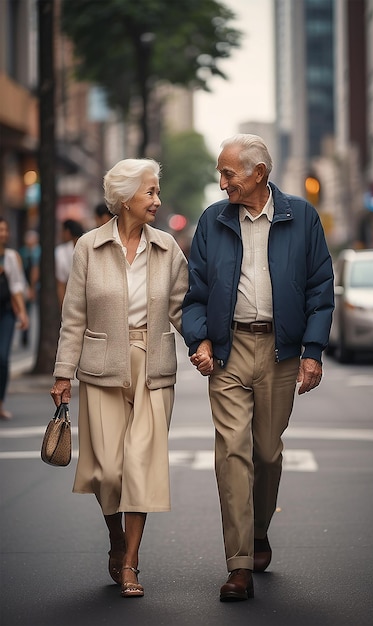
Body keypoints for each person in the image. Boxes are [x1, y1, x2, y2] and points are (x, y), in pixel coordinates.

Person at [182, 134, 334, 602]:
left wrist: (312, 349)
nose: (222, 181)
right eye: (221, 172)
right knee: (231, 454)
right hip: (228, 352)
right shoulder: (213, 220)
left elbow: (319, 286)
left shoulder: (302, 217)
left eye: (228, 173)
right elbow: (196, 291)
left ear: (259, 173)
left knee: (266, 453)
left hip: (279, 352)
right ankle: (239, 563)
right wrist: (200, 337)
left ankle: (260, 529)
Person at [49, 158, 188, 598]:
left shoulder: (168, 248)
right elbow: (74, 315)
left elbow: (185, 309)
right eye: (150, 192)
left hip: (154, 363)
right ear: (126, 198)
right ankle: (115, 538)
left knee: (140, 466)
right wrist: (62, 373)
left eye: (156, 192)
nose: (157, 201)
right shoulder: (88, 247)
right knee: (108, 471)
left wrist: (207, 347)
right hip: (101, 364)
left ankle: (130, 562)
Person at [0, 218, 29, 420]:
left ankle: (0, 403)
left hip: (6, 313)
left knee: (2, 358)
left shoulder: (11, 257)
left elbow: (17, 287)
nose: (2, 233)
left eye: (4, 229)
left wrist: (22, 313)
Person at [55, 219, 85, 308]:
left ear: (67, 232)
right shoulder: (89, 244)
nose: (60, 235)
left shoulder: (61, 252)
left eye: (62, 231)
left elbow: (61, 283)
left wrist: (63, 307)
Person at [19, 229, 41, 347]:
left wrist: (32, 288)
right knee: (26, 311)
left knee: (30, 311)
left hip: (33, 287)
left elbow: (35, 270)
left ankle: (26, 335)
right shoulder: (23, 252)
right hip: (24, 286)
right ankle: (25, 334)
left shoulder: (37, 252)